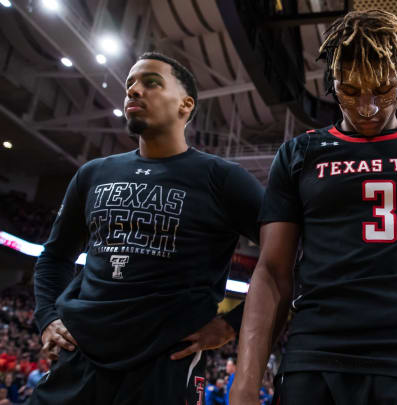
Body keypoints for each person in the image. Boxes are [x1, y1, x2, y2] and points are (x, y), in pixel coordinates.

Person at [231, 9, 397, 405]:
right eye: (349, 90)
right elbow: (273, 272)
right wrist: (245, 380)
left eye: (383, 89)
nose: (367, 107)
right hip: (318, 358)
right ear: (331, 82)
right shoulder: (299, 152)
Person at [29, 52, 263, 404]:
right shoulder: (92, 174)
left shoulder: (223, 179)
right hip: (79, 353)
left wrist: (233, 324)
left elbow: (287, 257)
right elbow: (55, 257)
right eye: (130, 85)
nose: (134, 91)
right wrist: (47, 317)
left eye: (151, 83)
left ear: (186, 105)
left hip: (164, 362)